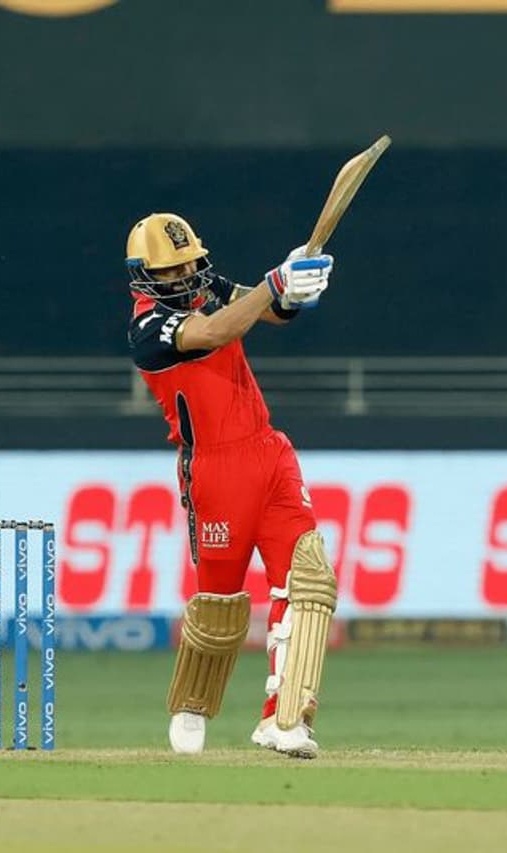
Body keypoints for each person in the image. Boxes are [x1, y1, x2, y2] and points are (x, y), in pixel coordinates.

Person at [125, 212, 337, 759]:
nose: (185, 277)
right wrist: (274, 282)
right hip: (214, 471)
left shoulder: (207, 287)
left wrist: (293, 289)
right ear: (144, 276)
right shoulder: (148, 330)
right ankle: (192, 702)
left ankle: (284, 719)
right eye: (172, 271)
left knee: (309, 582)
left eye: (190, 265)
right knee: (219, 604)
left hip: (269, 451)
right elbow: (218, 331)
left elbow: (267, 311)